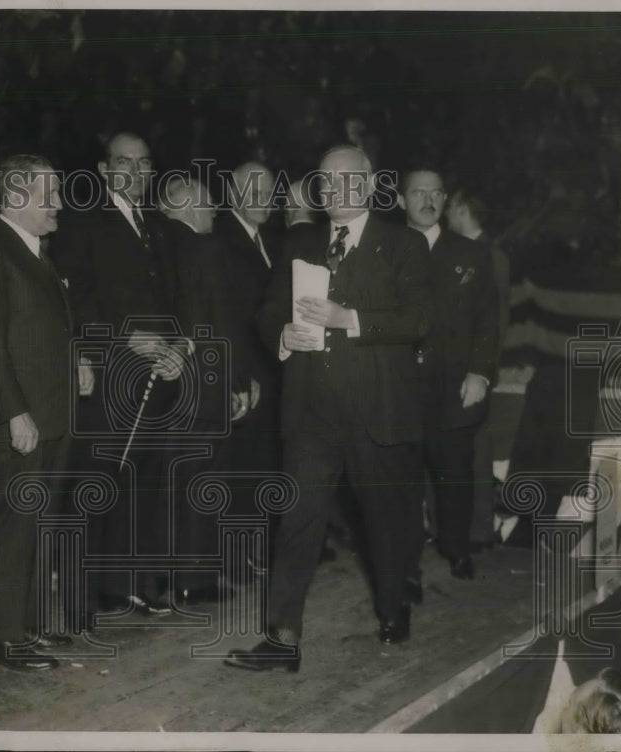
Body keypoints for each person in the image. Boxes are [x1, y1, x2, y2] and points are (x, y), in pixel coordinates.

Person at [226, 145, 431, 672]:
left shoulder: (402, 243)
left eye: (344, 179)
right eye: (324, 180)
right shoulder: (299, 241)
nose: (332, 189)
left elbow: (418, 320)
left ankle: (391, 608)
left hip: (376, 410)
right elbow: (266, 314)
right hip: (311, 412)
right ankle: (282, 638)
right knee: (297, 521)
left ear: (367, 183)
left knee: (382, 523)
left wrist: (349, 318)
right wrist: (284, 335)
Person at [50, 131, 185, 624]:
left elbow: (173, 299)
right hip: (107, 377)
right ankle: (79, 604)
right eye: (124, 163)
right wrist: (124, 339)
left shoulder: (158, 226)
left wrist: (178, 347)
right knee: (94, 485)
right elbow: (72, 301)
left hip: (156, 377)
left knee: (144, 484)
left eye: (144, 164)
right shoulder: (82, 223)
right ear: (105, 172)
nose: (135, 172)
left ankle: (130, 585)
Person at [0, 154, 84, 670]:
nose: (57, 203)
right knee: (10, 526)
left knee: (37, 523)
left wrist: (77, 362)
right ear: (13, 198)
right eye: (46, 193)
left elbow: (39, 328)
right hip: (16, 421)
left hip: (49, 414)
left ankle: (28, 627)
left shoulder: (32, 250)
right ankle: (2, 638)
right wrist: (13, 412)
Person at [398, 169, 499, 586]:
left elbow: (488, 320)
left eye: (436, 193)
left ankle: (456, 549)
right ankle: (403, 569)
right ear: (401, 200)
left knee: (455, 475)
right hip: (398, 388)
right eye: (418, 193)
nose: (428, 200)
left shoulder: (471, 253)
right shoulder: (383, 250)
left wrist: (479, 372)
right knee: (399, 482)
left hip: (454, 386)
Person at [158, 174, 250, 603]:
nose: (215, 211)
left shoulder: (159, 242)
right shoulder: (204, 248)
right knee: (204, 481)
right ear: (190, 205)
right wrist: (236, 382)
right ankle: (194, 580)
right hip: (205, 385)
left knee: (177, 483)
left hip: (171, 387)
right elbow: (218, 323)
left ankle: (172, 576)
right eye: (210, 204)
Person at [212, 162, 282, 537]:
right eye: (252, 192)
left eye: (268, 192)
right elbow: (224, 317)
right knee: (241, 468)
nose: (262, 199)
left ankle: (260, 546)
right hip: (245, 374)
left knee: (266, 463)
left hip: (275, 372)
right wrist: (237, 376)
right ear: (232, 194)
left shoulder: (274, 239)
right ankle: (236, 553)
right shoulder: (219, 239)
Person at [446, 186, 511, 550]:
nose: (444, 214)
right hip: (458, 369)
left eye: (449, 207)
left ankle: (478, 531)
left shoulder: (489, 256)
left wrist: (482, 372)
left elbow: (496, 323)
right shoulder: (463, 251)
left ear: (462, 209)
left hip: (476, 374)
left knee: (477, 453)